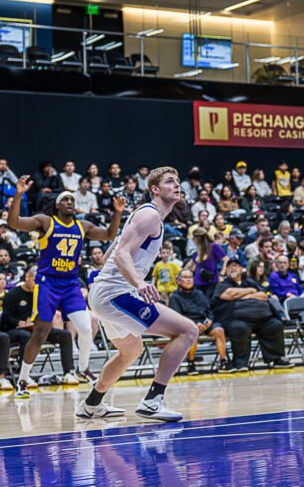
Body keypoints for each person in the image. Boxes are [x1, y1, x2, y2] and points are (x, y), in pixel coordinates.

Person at [79, 167, 199, 422]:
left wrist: (109, 277)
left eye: (178, 181)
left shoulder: (148, 217)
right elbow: (121, 253)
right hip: (116, 295)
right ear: (155, 189)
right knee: (188, 331)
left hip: (108, 293)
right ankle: (153, 400)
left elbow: (115, 247)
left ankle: (91, 404)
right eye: (169, 182)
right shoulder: (150, 215)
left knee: (130, 350)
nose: (177, 185)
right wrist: (138, 282)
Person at [8, 179, 125, 397]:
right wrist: (18, 195)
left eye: (72, 199)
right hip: (47, 283)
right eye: (65, 199)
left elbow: (109, 235)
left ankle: (83, 370)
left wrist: (117, 212)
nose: (70, 202)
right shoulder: (45, 222)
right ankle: (22, 380)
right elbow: (14, 222)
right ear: (58, 205)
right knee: (41, 332)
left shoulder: (83, 226)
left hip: (70, 284)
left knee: (86, 326)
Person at [211, 259, 292, 372]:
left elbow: (263, 296)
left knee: (275, 325)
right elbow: (230, 295)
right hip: (238, 319)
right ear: (226, 271)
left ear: (241, 269)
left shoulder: (250, 282)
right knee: (239, 328)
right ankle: (240, 363)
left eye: (236, 266)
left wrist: (242, 295)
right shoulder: (223, 285)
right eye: (230, 267)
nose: (233, 268)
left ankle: (277, 358)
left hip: (262, 319)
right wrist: (250, 292)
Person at [169, 269, 230, 375]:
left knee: (219, 330)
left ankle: (223, 362)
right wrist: (194, 324)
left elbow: (209, 310)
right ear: (178, 281)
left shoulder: (199, 293)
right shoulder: (175, 297)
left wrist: (210, 320)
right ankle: (191, 364)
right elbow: (177, 318)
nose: (188, 280)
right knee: (194, 331)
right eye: (185, 277)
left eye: (190, 277)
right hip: (188, 325)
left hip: (204, 323)